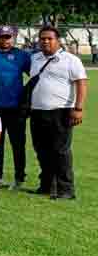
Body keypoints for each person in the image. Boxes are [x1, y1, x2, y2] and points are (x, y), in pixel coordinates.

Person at [28, 26, 87, 199]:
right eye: (42, 38)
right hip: (37, 111)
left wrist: (78, 108)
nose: (45, 41)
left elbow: (81, 83)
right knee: (41, 150)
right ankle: (47, 185)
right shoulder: (35, 58)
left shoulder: (71, 60)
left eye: (49, 38)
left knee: (61, 151)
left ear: (58, 40)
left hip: (61, 111)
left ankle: (66, 190)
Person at [0, 25, 31, 189]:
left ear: (14, 37)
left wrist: (28, 100)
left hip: (16, 107)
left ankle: (19, 178)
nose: (5, 40)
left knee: (18, 143)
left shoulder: (22, 56)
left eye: (8, 37)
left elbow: (35, 77)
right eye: (2, 37)